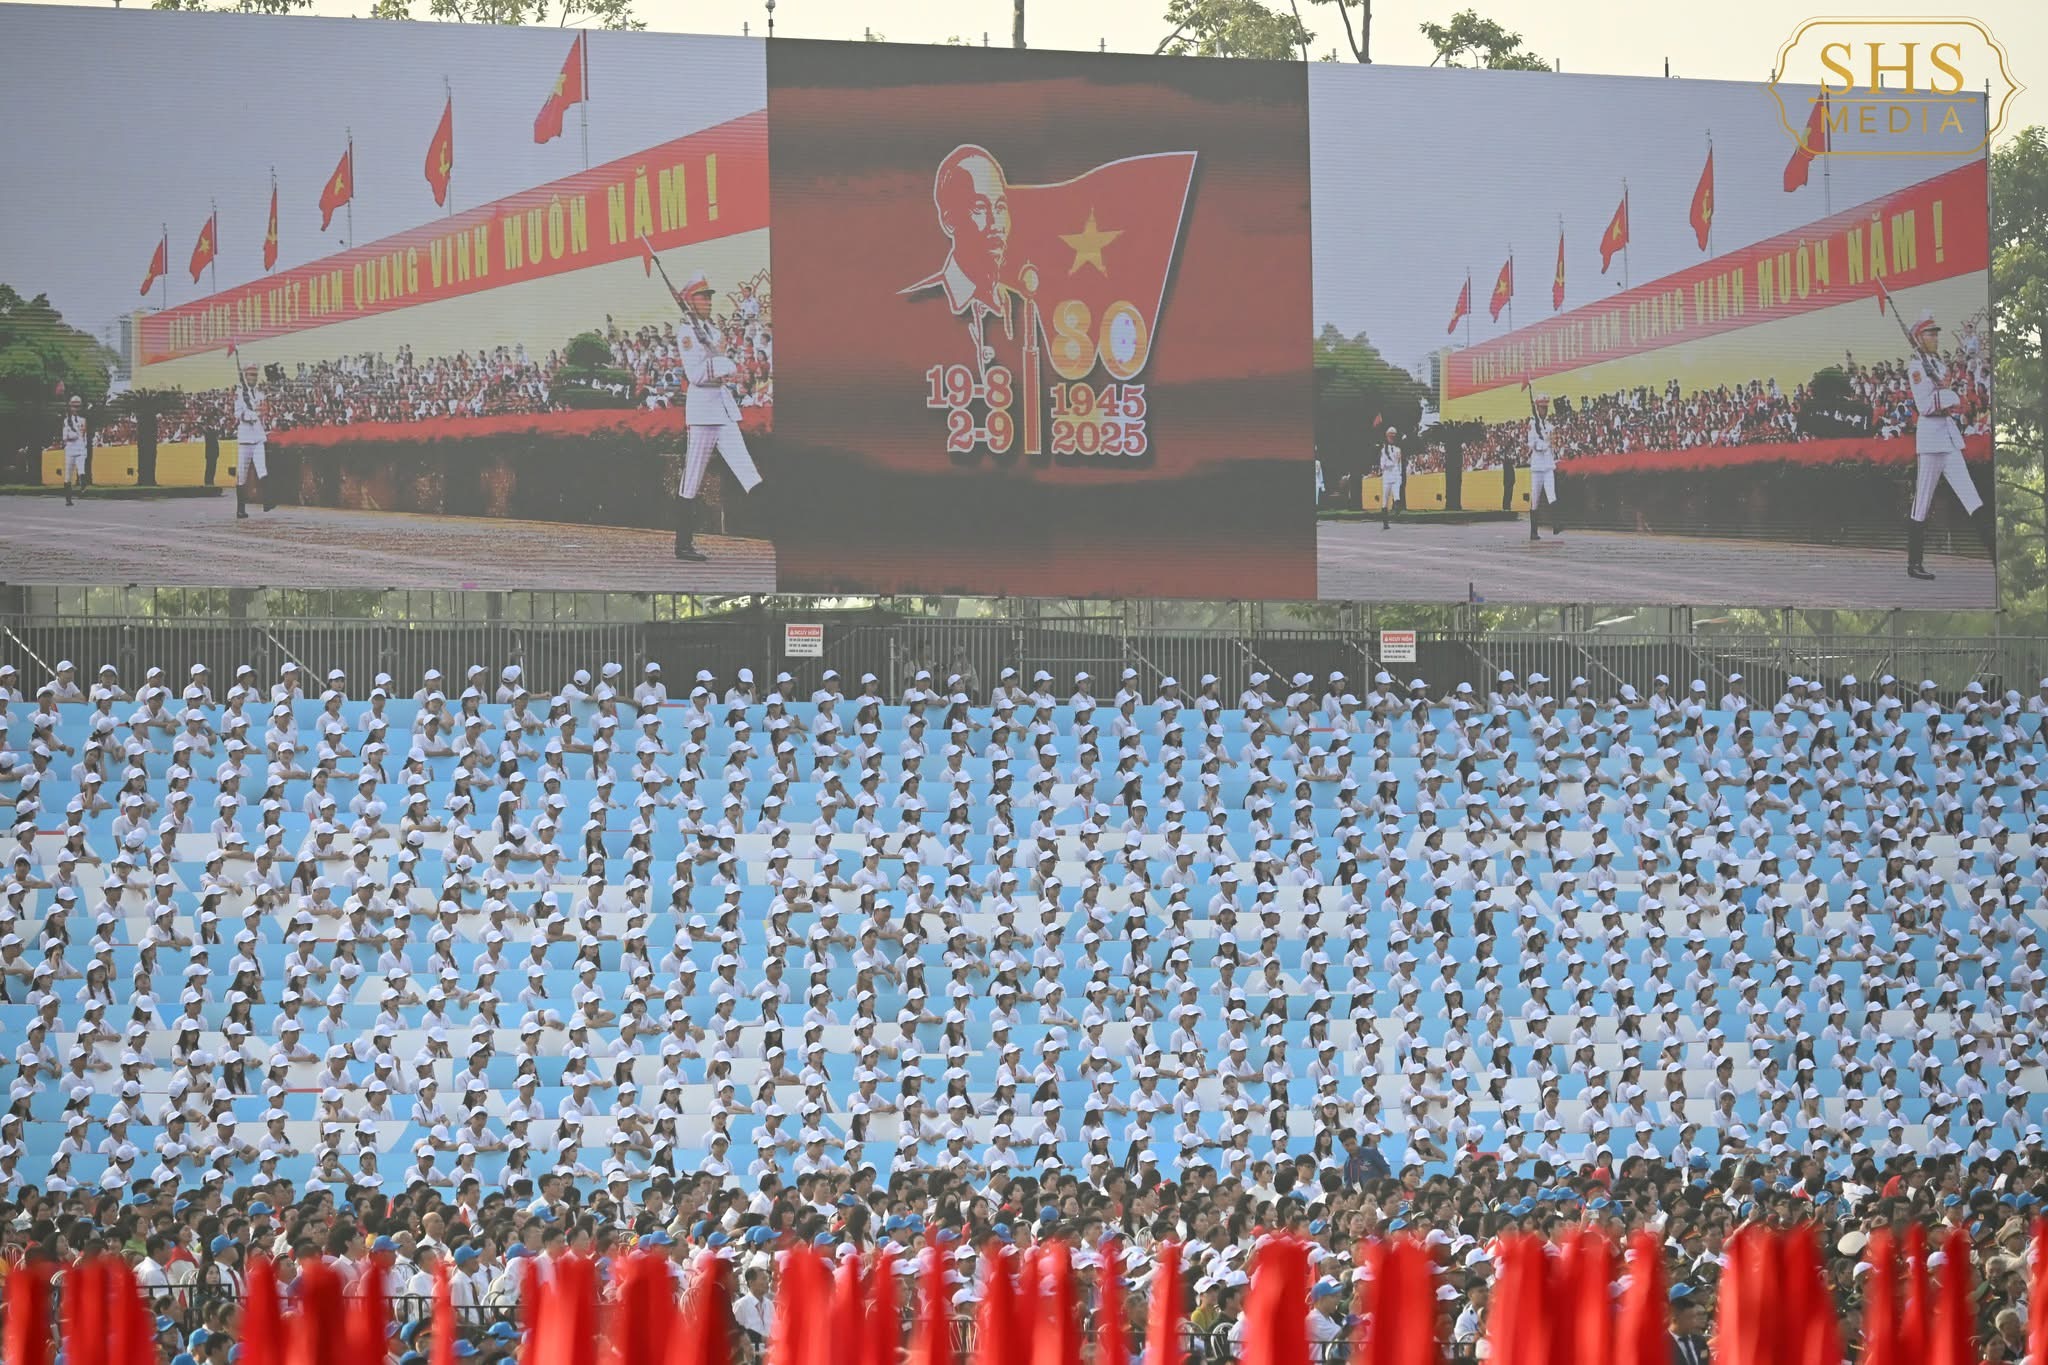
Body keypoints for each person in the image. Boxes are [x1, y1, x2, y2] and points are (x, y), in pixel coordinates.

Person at [902, 144, 1022, 384]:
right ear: (949, 220)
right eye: (979, 207)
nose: (995, 224)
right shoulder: (911, 309)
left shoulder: (1025, 311)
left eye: (1000, 207)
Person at [673, 273, 763, 563]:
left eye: (709, 297)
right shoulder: (687, 333)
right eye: (703, 297)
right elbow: (695, 375)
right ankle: (683, 544)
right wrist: (723, 364)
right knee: (692, 479)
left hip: (722, 409)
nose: (709, 302)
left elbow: (719, 361)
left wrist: (722, 360)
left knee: (748, 472)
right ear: (690, 302)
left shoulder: (710, 330)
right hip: (702, 412)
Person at [1903, 310, 1991, 581]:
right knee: (1922, 503)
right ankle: (1914, 564)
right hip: (1930, 440)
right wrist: (1949, 395)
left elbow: (1945, 390)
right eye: (1931, 334)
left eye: (1935, 334)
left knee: (1972, 497)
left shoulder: (1936, 365)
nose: (1936, 338)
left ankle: (1996, 553)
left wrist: (1945, 390)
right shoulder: (1916, 368)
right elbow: (1925, 405)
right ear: (1919, 338)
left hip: (1949, 438)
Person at [234, 361, 274, 520]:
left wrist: (261, 413)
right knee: (242, 475)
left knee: (262, 469)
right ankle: (240, 509)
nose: (253, 377)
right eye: (251, 375)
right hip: (245, 439)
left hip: (257, 437)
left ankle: (268, 500)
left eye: (255, 375)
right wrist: (252, 415)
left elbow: (264, 411)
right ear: (245, 376)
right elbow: (238, 414)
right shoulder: (240, 394)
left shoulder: (260, 394)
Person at [1527, 393, 1559, 541]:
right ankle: (1533, 532)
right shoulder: (1533, 424)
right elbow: (1531, 444)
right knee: (1535, 499)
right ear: (1537, 408)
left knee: (1552, 495)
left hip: (1548, 466)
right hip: (1537, 467)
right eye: (1542, 408)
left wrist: (1550, 444)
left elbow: (1554, 442)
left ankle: (1556, 524)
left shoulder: (1550, 426)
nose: (1544, 410)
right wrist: (1543, 445)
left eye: (1546, 408)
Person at [60, 396, 88, 507]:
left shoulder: (83, 420)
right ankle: (68, 499)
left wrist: (84, 446)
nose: (76, 409)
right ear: (70, 407)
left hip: (80, 448)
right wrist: (71, 436)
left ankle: (83, 484)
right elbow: (64, 437)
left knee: (81, 469)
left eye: (77, 407)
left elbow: (84, 435)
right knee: (68, 475)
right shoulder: (66, 420)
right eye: (74, 406)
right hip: (70, 450)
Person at [1379, 428, 1403, 531]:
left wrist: (1400, 475)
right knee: (1385, 500)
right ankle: (1385, 523)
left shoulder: (1398, 449)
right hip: (1387, 476)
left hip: (1396, 474)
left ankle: (1397, 510)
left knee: (1397, 496)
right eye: (1390, 435)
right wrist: (1391, 464)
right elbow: (1382, 465)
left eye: (1393, 435)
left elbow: (1399, 464)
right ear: (1387, 436)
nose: (1392, 437)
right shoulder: (1384, 450)